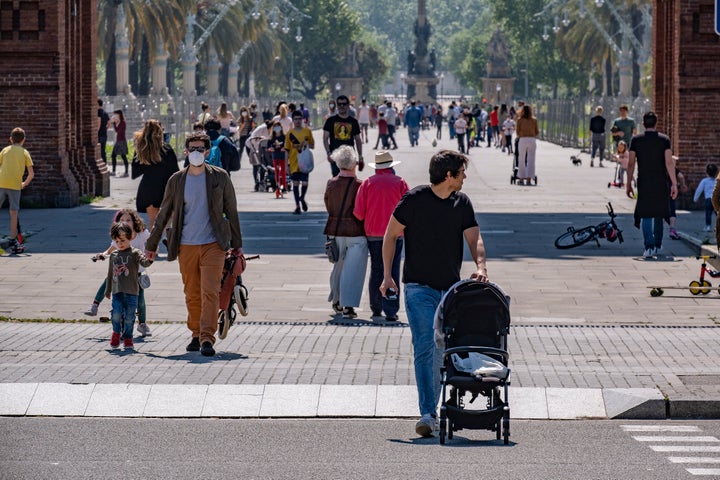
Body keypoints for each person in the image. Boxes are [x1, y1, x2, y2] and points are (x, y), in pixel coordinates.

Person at [380, 149, 488, 438]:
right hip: (418, 287)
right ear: (449, 175)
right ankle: (427, 413)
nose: (465, 177)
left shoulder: (461, 202)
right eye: (462, 172)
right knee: (425, 344)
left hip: (449, 290)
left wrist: (481, 266)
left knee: (440, 350)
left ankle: (434, 410)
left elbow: (474, 238)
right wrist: (387, 275)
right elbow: (390, 235)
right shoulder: (414, 200)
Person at [144, 132, 243, 357]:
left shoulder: (220, 177)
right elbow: (164, 214)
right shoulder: (177, 180)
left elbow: (232, 211)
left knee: (210, 292)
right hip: (185, 244)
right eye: (192, 149)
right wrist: (151, 245)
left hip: (213, 243)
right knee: (192, 293)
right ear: (186, 151)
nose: (196, 153)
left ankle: (208, 337)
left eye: (200, 149)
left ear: (207, 152)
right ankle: (195, 334)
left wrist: (237, 244)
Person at [353, 151, 408, 321]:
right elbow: (409, 209)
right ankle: (391, 310)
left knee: (377, 268)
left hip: (373, 234)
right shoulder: (400, 183)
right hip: (396, 234)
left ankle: (376, 307)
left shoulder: (368, 183)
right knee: (393, 269)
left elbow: (358, 213)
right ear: (391, 166)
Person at [85, 209, 153, 334]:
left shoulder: (141, 233)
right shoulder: (119, 235)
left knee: (140, 299)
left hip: (136, 273)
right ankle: (94, 306)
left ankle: (142, 324)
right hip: (121, 271)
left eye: (128, 220)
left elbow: (152, 242)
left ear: (135, 221)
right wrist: (102, 255)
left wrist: (152, 251)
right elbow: (110, 250)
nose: (125, 223)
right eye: (122, 220)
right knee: (108, 281)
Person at [323, 146, 367, 319]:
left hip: (335, 230)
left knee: (338, 266)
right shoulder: (360, 185)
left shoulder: (331, 183)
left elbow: (328, 205)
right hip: (356, 231)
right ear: (354, 164)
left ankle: (336, 298)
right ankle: (348, 305)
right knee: (354, 269)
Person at [626, 111, 678, 258]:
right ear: (656, 123)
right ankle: (657, 244)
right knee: (659, 213)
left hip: (644, 181)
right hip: (660, 181)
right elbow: (669, 162)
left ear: (643, 124)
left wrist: (628, 183)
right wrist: (674, 183)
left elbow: (631, 163)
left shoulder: (636, 140)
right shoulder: (664, 140)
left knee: (646, 213)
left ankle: (649, 247)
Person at [104, 222, 153, 350]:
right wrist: (108, 290)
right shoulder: (114, 256)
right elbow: (110, 274)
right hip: (117, 291)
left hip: (132, 292)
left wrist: (150, 259)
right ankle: (116, 332)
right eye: (117, 241)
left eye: (123, 240)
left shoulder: (135, 253)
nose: (120, 244)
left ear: (130, 238)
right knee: (116, 314)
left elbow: (145, 262)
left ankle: (128, 338)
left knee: (130, 317)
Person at [131, 119, 179, 232]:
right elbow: (175, 171)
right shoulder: (166, 149)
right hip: (165, 188)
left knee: (153, 220)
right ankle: (169, 242)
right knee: (168, 219)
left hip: (148, 189)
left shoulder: (141, 150)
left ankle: (152, 247)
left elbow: (135, 172)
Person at [0, 127, 34, 254]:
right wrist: (24, 184)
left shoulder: (5, 150)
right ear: (23, 140)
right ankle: (13, 240)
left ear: (10, 139)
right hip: (15, 185)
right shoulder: (25, 152)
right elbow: (31, 174)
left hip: (1, 183)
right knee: (13, 212)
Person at [323, 95, 364, 177]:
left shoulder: (353, 122)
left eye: (344, 104)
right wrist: (328, 153)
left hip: (349, 156)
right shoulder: (330, 121)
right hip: (335, 156)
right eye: (339, 104)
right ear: (337, 105)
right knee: (336, 178)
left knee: (349, 178)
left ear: (348, 105)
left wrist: (360, 156)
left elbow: (358, 140)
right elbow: (325, 138)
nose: (342, 106)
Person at [285, 110, 315, 214]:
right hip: (293, 162)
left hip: (304, 162)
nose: (298, 121)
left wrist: (307, 144)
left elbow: (313, 146)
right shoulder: (290, 134)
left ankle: (302, 198)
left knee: (305, 183)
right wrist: (286, 165)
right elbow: (286, 150)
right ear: (292, 120)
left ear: (303, 120)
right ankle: (297, 205)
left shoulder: (307, 132)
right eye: (295, 119)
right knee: (295, 183)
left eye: (299, 119)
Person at [515, 104, 539, 185]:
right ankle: (529, 178)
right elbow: (537, 132)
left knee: (521, 158)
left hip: (523, 139)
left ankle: (521, 178)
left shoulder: (519, 120)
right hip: (532, 139)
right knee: (531, 159)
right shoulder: (534, 120)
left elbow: (517, 132)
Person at [694, 164, 719, 232]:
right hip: (717, 199)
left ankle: (708, 226)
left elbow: (699, 189)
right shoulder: (717, 181)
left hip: (708, 199)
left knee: (708, 213)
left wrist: (695, 198)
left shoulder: (704, 181)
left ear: (707, 172)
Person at [268, 121, 287, 198]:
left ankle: (284, 186)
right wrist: (270, 149)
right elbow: (268, 147)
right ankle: (277, 185)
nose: (277, 129)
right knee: (276, 171)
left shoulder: (284, 137)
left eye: (278, 127)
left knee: (282, 171)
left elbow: (287, 145)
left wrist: (284, 148)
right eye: (275, 127)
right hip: (275, 156)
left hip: (282, 156)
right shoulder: (272, 138)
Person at [110, 109, 129, 177]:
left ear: (119, 114)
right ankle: (113, 171)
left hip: (122, 141)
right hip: (118, 141)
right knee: (113, 155)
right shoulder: (117, 122)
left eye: (116, 114)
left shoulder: (123, 122)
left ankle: (126, 172)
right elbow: (116, 130)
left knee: (123, 156)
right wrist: (114, 123)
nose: (115, 116)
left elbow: (119, 131)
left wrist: (116, 122)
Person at [97, 99, 110, 165]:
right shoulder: (105, 113)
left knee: (98, 150)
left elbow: (98, 122)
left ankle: (100, 163)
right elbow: (109, 123)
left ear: (98, 104)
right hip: (104, 133)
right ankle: (105, 163)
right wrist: (105, 128)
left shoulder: (98, 112)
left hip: (99, 134)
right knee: (103, 150)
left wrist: (97, 131)